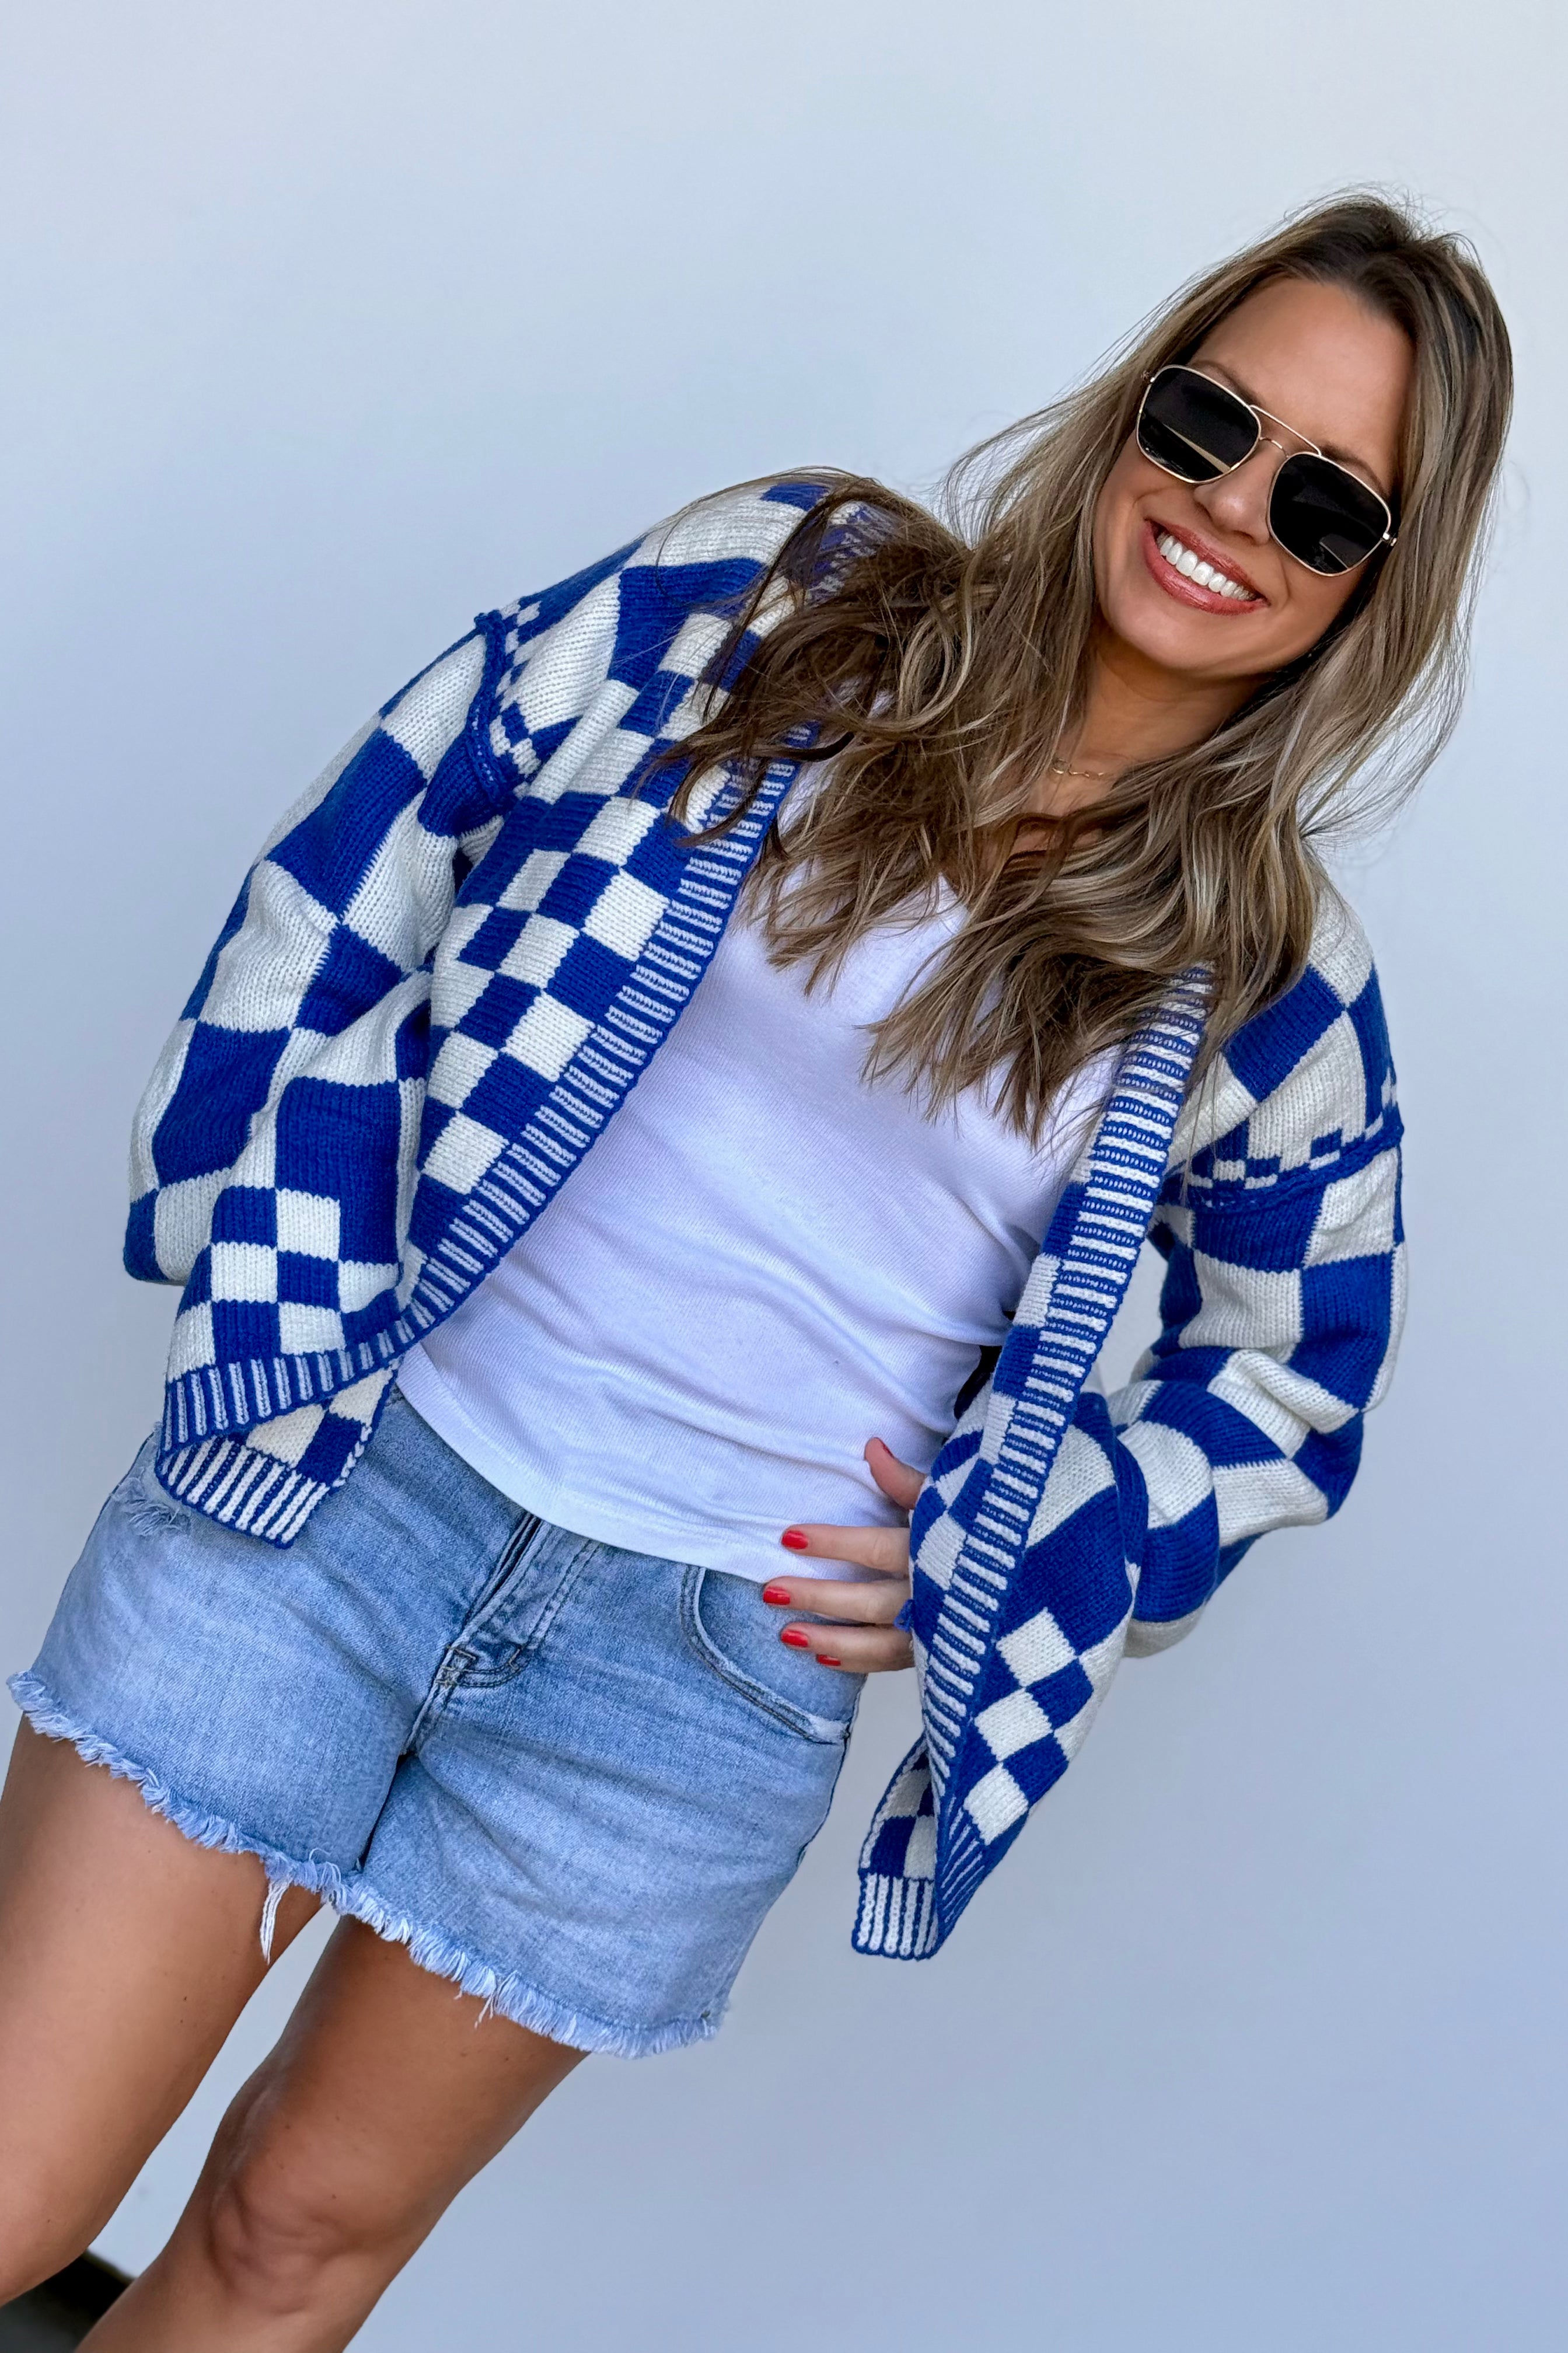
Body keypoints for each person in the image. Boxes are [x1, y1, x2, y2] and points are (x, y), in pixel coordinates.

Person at [0, 192, 1510, 2348]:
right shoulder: (790, 598)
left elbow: (1289, 1378)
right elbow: (406, 810)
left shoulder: (1270, 987)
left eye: (1326, 499)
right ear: (1139, 406)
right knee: (19, 2179)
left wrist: (1006, 1553)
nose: (1231, 506)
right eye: (1212, 419)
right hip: (341, 1492)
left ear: (1377, 582)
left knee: (285, 2250)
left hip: (689, 1688)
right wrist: (275, 1231)